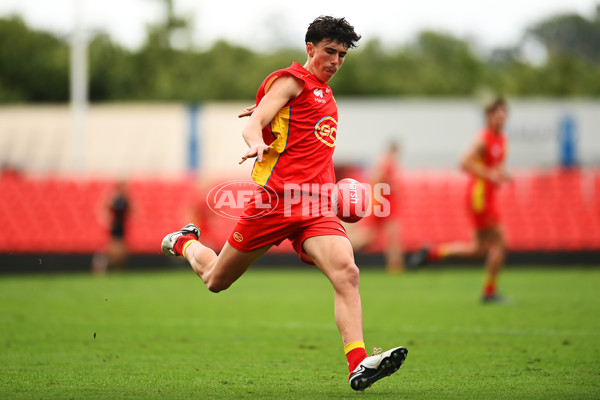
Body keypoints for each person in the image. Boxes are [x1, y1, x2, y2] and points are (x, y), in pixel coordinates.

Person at [160, 16, 407, 391]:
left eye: (342, 55)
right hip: (274, 202)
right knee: (215, 280)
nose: (336, 61)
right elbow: (255, 120)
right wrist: (255, 140)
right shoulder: (291, 81)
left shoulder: (324, 93)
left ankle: (358, 364)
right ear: (310, 48)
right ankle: (185, 242)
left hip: (318, 204)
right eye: (329, 51)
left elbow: (276, 117)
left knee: (347, 272)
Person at [408, 98, 511, 303]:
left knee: (477, 250)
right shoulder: (484, 139)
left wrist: (500, 174)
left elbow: (491, 166)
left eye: (503, 114)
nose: (501, 118)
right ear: (489, 116)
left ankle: (432, 253)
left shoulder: (501, 140)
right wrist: (489, 175)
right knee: (501, 242)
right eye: (497, 114)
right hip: (480, 198)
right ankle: (489, 292)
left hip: (486, 197)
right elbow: (463, 162)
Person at [350, 140, 404, 274]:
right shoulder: (386, 162)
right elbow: (376, 180)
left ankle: (395, 268)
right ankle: (339, 251)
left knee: (389, 236)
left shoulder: (389, 163)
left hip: (386, 203)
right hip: (382, 203)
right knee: (369, 237)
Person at [91, 181, 130, 275]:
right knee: (115, 250)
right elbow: (105, 207)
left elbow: (132, 210)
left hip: (122, 226)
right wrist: (106, 219)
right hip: (116, 226)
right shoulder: (114, 198)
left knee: (122, 251)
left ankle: (113, 268)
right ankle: (100, 264)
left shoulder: (125, 199)